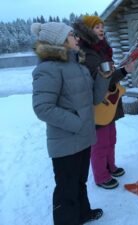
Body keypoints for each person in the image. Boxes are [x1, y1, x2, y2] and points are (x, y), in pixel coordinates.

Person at [31, 22, 112, 225]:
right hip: (65, 143)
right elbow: (43, 108)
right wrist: (78, 124)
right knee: (66, 189)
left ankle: (83, 213)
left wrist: (104, 78)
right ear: (59, 40)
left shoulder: (78, 65)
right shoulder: (47, 69)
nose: (77, 38)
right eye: (71, 35)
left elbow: (94, 99)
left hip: (83, 138)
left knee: (80, 182)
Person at [73, 16, 135, 189]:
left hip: (109, 101)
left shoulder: (102, 49)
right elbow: (99, 79)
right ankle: (101, 176)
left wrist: (121, 69)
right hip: (98, 104)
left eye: (102, 26)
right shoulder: (87, 52)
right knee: (99, 143)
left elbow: (107, 75)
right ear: (87, 30)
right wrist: (124, 71)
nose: (101, 29)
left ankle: (110, 166)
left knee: (111, 138)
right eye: (96, 27)